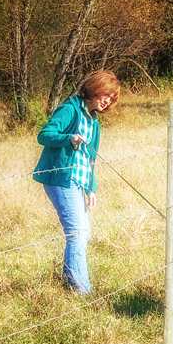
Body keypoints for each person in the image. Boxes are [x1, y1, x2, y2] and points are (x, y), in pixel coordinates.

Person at [34, 70, 120, 295]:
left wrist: (91, 189)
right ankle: (81, 291)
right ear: (94, 89)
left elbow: (90, 158)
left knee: (82, 233)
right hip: (61, 179)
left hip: (79, 182)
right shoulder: (70, 109)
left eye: (111, 98)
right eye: (105, 95)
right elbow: (44, 134)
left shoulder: (94, 120)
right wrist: (68, 138)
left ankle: (69, 281)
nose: (107, 101)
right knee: (77, 233)